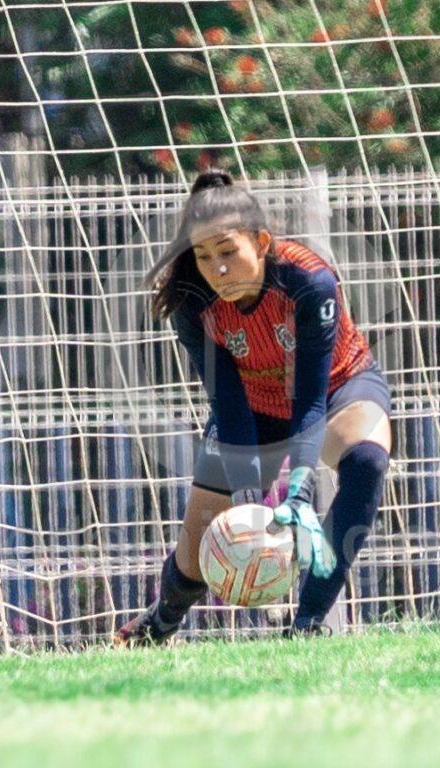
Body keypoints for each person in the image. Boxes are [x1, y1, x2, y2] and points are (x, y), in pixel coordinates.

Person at [115, 170, 392, 643]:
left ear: (261, 242)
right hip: (251, 405)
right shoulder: (193, 304)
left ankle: (307, 624)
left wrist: (299, 491)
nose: (217, 268)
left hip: (337, 387)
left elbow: (309, 398)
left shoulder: (310, 282)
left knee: (367, 461)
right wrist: (247, 497)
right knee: (197, 550)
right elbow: (228, 403)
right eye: (203, 256)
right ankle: (161, 621)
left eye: (228, 251)